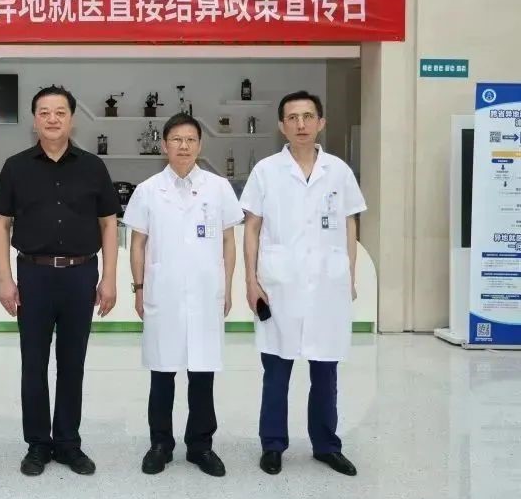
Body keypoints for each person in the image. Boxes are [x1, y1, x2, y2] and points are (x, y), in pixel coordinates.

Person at [0, 85, 120, 477]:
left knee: (72, 363)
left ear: (71, 119)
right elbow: (1, 224)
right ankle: (37, 444)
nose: (52, 119)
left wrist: (109, 278)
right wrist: (5, 279)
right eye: (44, 112)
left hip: (81, 276)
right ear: (34, 120)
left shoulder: (93, 167)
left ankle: (68, 443)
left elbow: (108, 223)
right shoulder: (16, 167)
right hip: (34, 275)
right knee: (33, 364)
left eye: (60, 112)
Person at [240, 91, 367, 477]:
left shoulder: (338, 171)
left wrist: (349, 274)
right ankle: (273, 445)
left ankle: (326, 445)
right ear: (282, 125)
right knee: (276, 370)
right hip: (280, 284)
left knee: (326, 372)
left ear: (321, 123)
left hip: (328, 285)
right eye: (292, 118)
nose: (301, 124)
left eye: (308, 116)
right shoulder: (266, 170)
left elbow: (349, 222)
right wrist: (251, 279)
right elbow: (252, 227)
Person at [122, 113, 242, 478]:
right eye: (176, 139)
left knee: (202, 373)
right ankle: (160, 444)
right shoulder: (148, 190)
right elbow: (137, 244)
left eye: (190, 140)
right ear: (164, 145)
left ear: (200, 145)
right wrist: (139, 288)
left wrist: (226, 287)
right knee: (162, 374)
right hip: (164, 292)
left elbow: (228, 241)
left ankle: (201, 446)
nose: (184, 146)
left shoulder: (218, 188)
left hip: (206, 293)